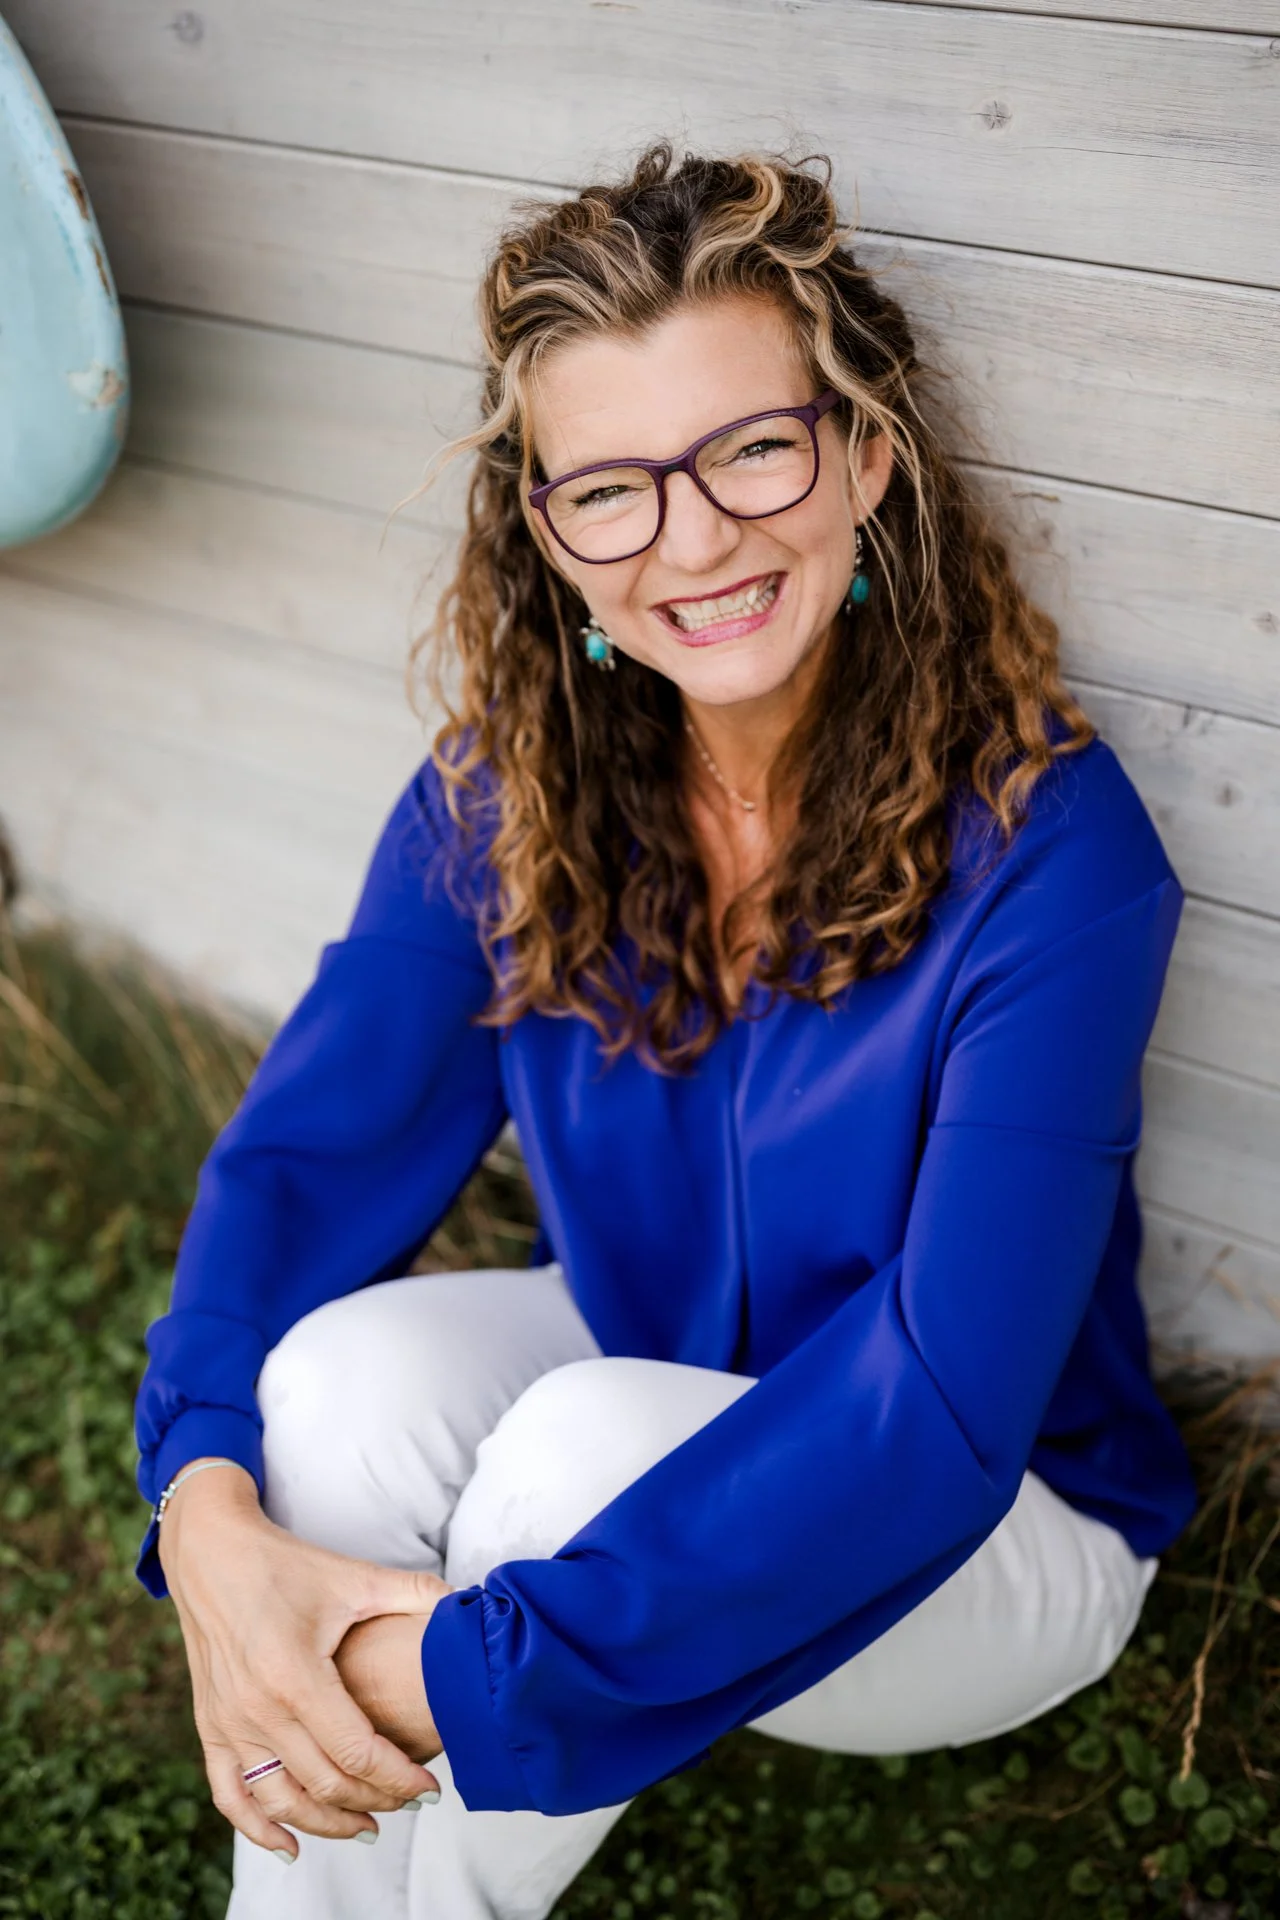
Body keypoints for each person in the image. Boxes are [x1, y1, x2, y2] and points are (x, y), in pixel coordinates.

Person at [132, 141, 1198, 1920]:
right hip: (650, 1360)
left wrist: (441, 1672)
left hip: (995, 1524)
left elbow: (935, 1409)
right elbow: (303, 1169)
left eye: (753, 449)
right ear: (548, 533)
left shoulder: (1053, 851)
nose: (694, 542)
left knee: (580, 1455)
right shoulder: (508, 794)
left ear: (867, 456)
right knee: (326, 1391)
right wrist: (212, 1526)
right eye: (611, 491)